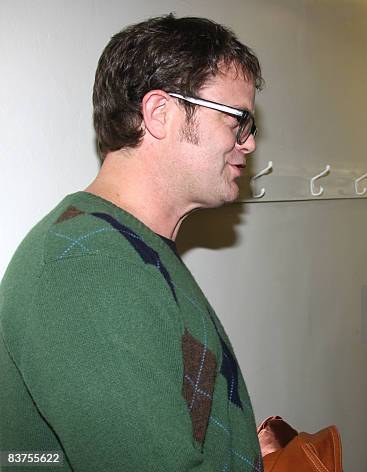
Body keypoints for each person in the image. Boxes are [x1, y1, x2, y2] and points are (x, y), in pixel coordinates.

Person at [0, 15, 263, 471]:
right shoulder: (86, 269)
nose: (250, 142)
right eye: (238, 120)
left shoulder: (127, 246)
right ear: (160, 113)